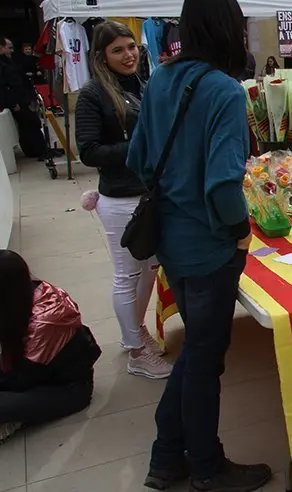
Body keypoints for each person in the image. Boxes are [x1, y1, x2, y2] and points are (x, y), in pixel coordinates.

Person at [127, 0, 272, 492]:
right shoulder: (224, 91)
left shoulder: (161, 79)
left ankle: (166, 458)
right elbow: (222, 184)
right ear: (230, 28)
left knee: (194, 353)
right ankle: (207, 467)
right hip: (210, 246)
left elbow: (138, 160)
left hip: (171, 240)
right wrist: (238, 236)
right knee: (204, 359)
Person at [75, 21, 172, 380]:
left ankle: (136, 332)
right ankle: (135, 351)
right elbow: (88, 150)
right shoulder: (92, 94)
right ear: (101, 56)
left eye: (131, 47)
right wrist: (140, 147)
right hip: (119, 199)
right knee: (127, 274)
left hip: (147, 195)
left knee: (148, 270)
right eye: (118, 50)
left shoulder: (142, 85)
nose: (128, 54)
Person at [0, 250, 102, 444]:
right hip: (29, 371)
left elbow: (22, 380)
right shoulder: (26, 293)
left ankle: (15, 418)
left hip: (66, 388)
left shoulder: (45, 320)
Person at [0, 36, 46, 158]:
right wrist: (13, 103)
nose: (11, 50)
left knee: (31, 123)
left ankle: (36, 150)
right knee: (29, 124)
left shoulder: (11, 61)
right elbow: (3, 86)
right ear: (2, 47)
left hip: (22, 96)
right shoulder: (3, 64)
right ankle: (38, 150)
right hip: (16, 100)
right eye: (9, 48)